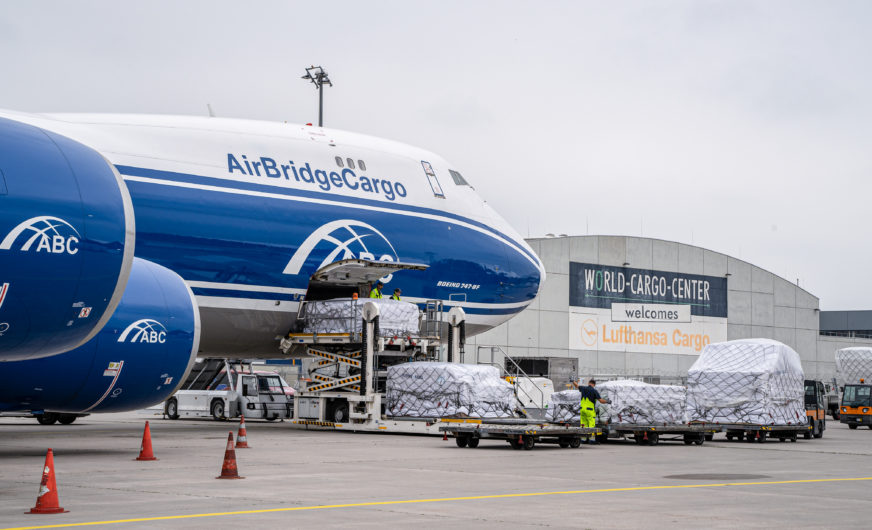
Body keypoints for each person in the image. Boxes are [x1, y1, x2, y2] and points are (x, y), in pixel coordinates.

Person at [578, 379, 608, 444]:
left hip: (582, 409)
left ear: (588, 383)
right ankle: (591, 440)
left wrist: (573, 381)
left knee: (583, 424)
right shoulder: (594, 391)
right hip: (590, 410)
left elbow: (577, 386)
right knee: (591, 425)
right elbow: (601, 401)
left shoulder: (583, 388)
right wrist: (607, 401)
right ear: (594, 384)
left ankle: (583, 439)